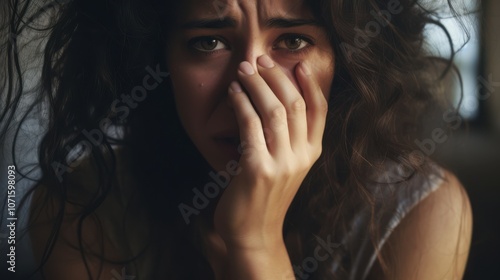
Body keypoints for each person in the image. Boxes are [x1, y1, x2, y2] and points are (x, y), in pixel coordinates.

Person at [0, 0, 473, 279]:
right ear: (159, 64)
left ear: (347, 62)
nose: (251, 87)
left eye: (292, 40)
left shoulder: (422, 212)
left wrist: (255, 245)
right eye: (209, 42)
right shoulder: (82, 207)